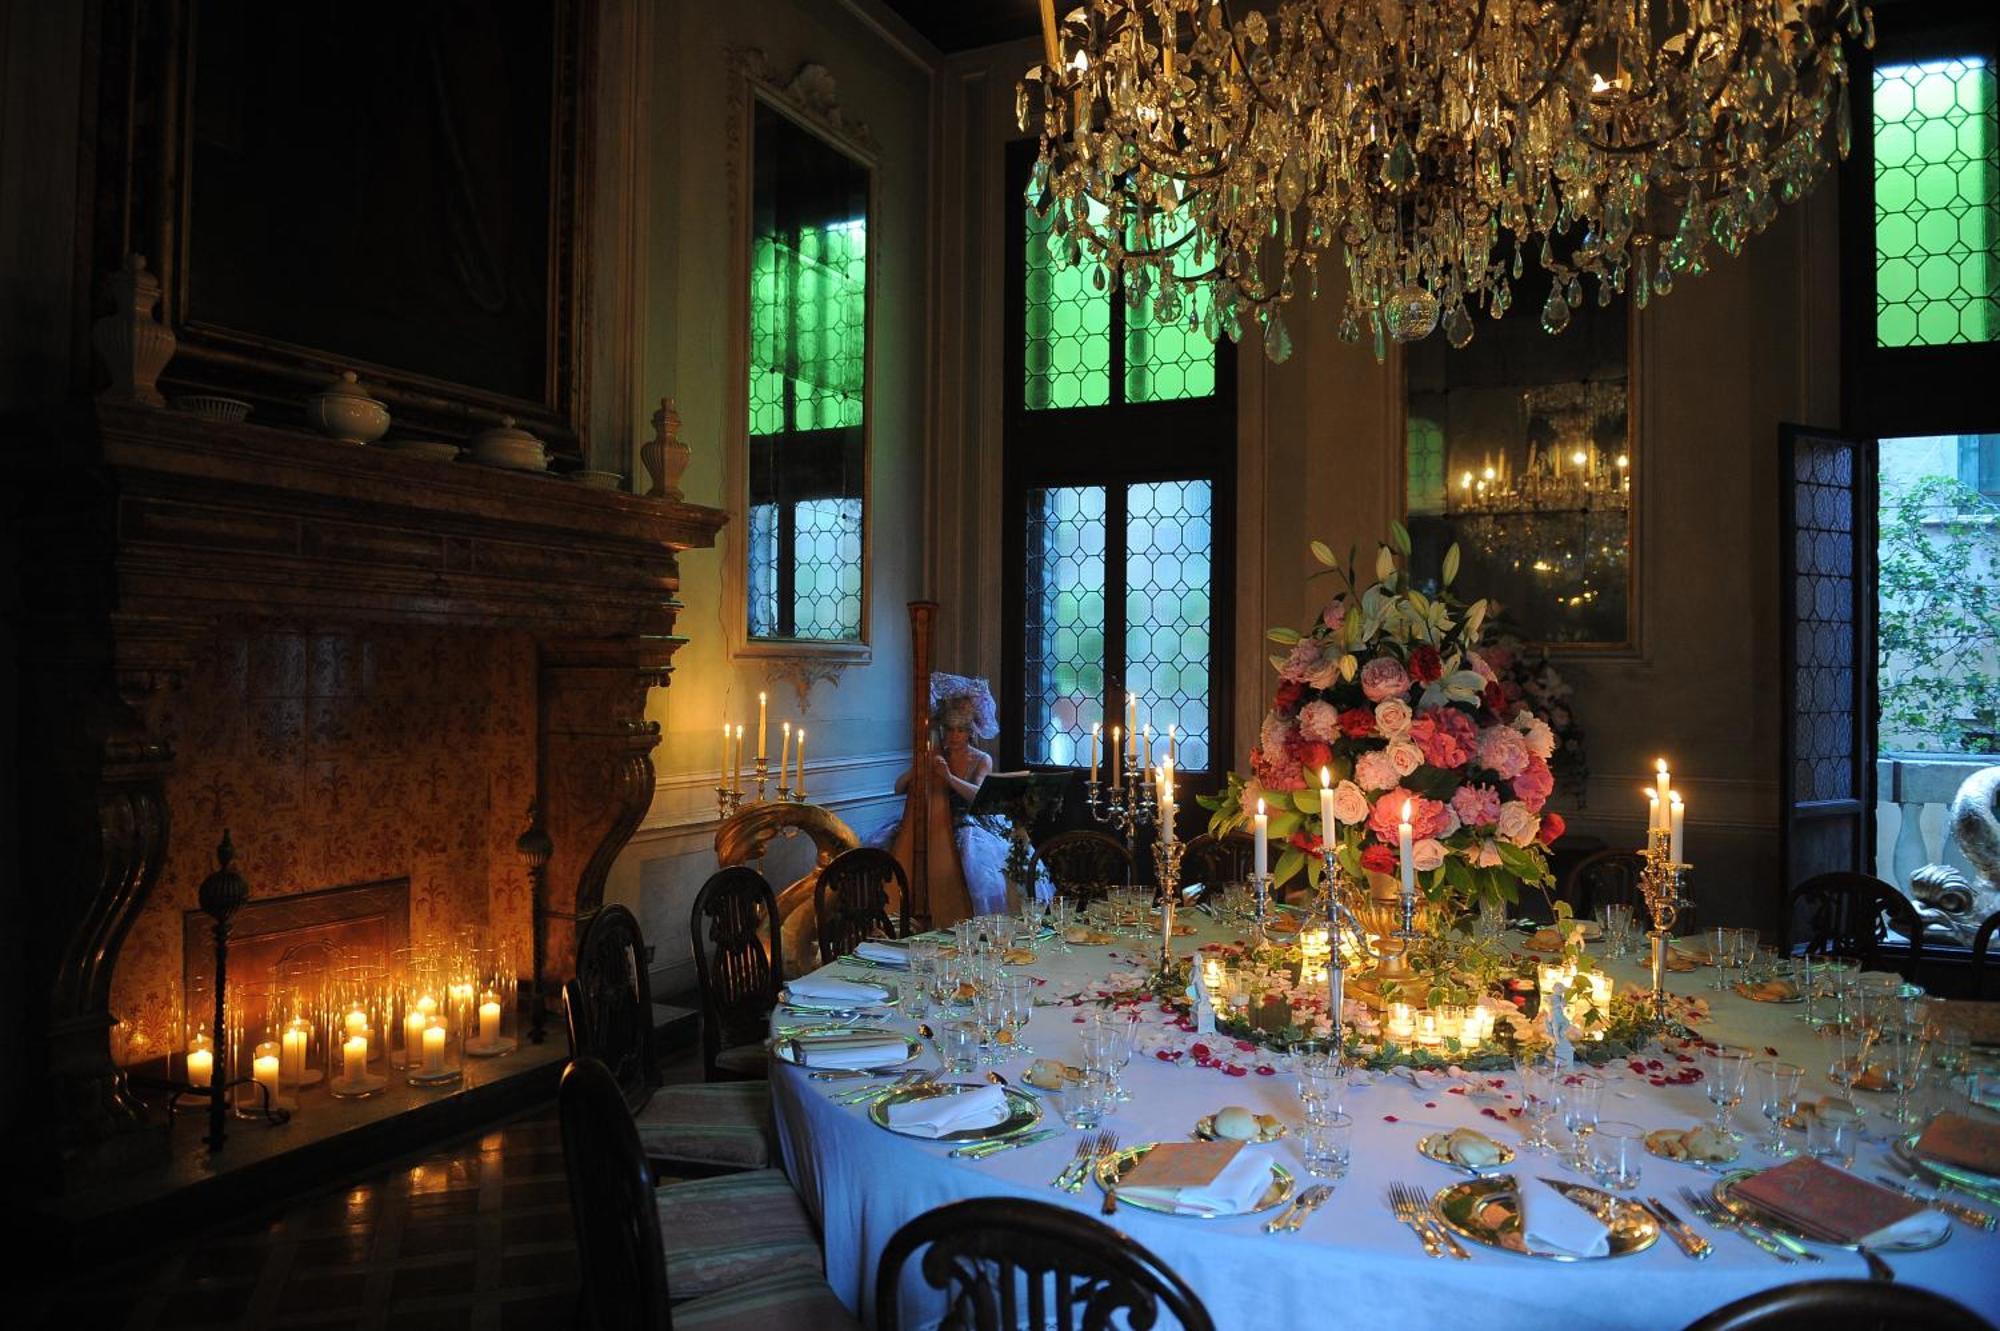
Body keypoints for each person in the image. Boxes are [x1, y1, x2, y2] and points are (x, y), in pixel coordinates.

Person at [871, 673, 1050, 925]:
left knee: (974, 862)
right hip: (932, 825)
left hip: (969, 823)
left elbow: (977, 795)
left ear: (970, 731)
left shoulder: (980, 759)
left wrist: (948, 778)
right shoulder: (935, 754)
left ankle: (969, 923)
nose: (955, 736)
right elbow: (898, 788)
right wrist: (919, 769)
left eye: (961, 730)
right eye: (950, 729)